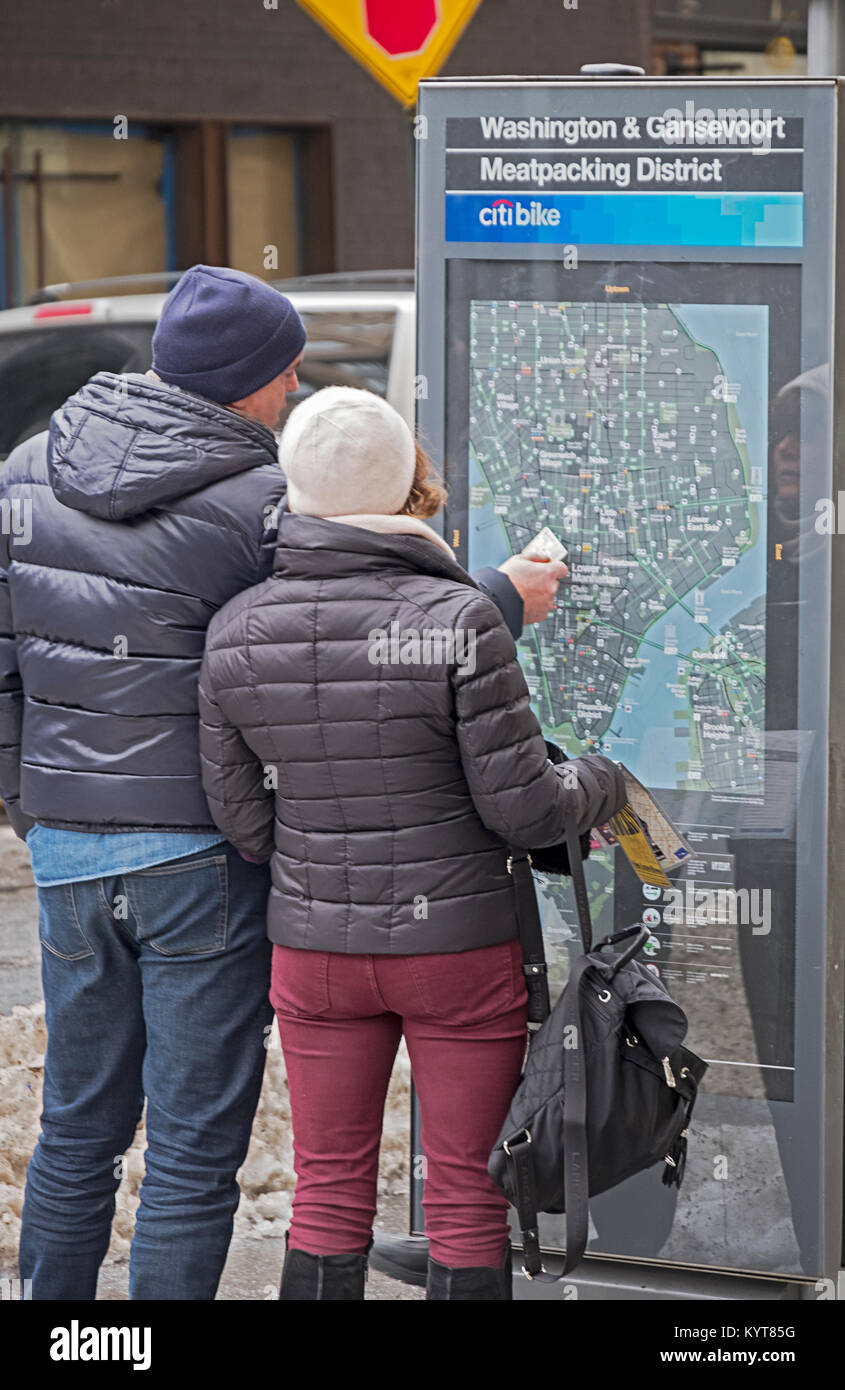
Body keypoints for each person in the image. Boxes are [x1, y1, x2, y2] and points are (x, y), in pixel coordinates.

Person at [0, 265, 564, 1300]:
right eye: (284, 371)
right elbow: (347, 639)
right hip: (200, 849)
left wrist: (37, 805)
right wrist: (500, 598)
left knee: (75, 1122)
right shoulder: (260, 497)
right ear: (242, 380)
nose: (293, 389)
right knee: (189, 1138)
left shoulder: (27, 471)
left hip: (73, 848)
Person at [198, 386, 627, 1301]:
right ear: (404, 489)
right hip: (456, 952)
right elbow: (522, 810)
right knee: (470, 1196)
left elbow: (243, 823)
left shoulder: (235, 631)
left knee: (326, 1192)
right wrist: (601, 780)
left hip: (313, 955)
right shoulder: (460, 620)